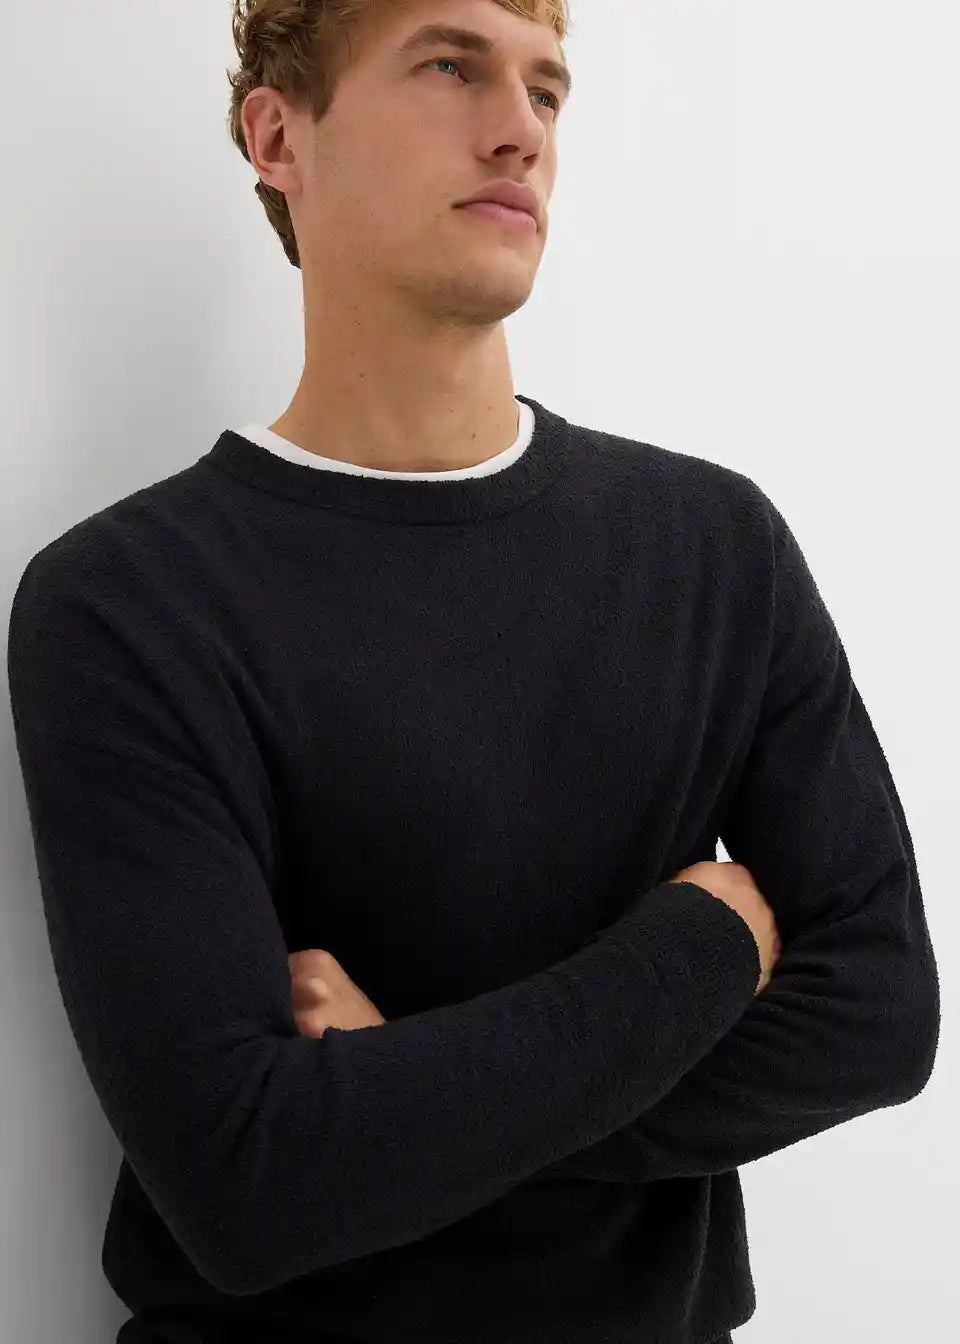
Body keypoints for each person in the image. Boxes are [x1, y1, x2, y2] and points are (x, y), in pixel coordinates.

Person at [6, 2, 939, 1342]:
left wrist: (401, 1091)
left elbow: (880, 1017)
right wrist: (704, 946)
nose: (520, 132)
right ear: (279, 136)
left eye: (546, 90)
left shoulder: (713, 548)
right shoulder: (128, 604)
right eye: (450, 65)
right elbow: (247, 1182)